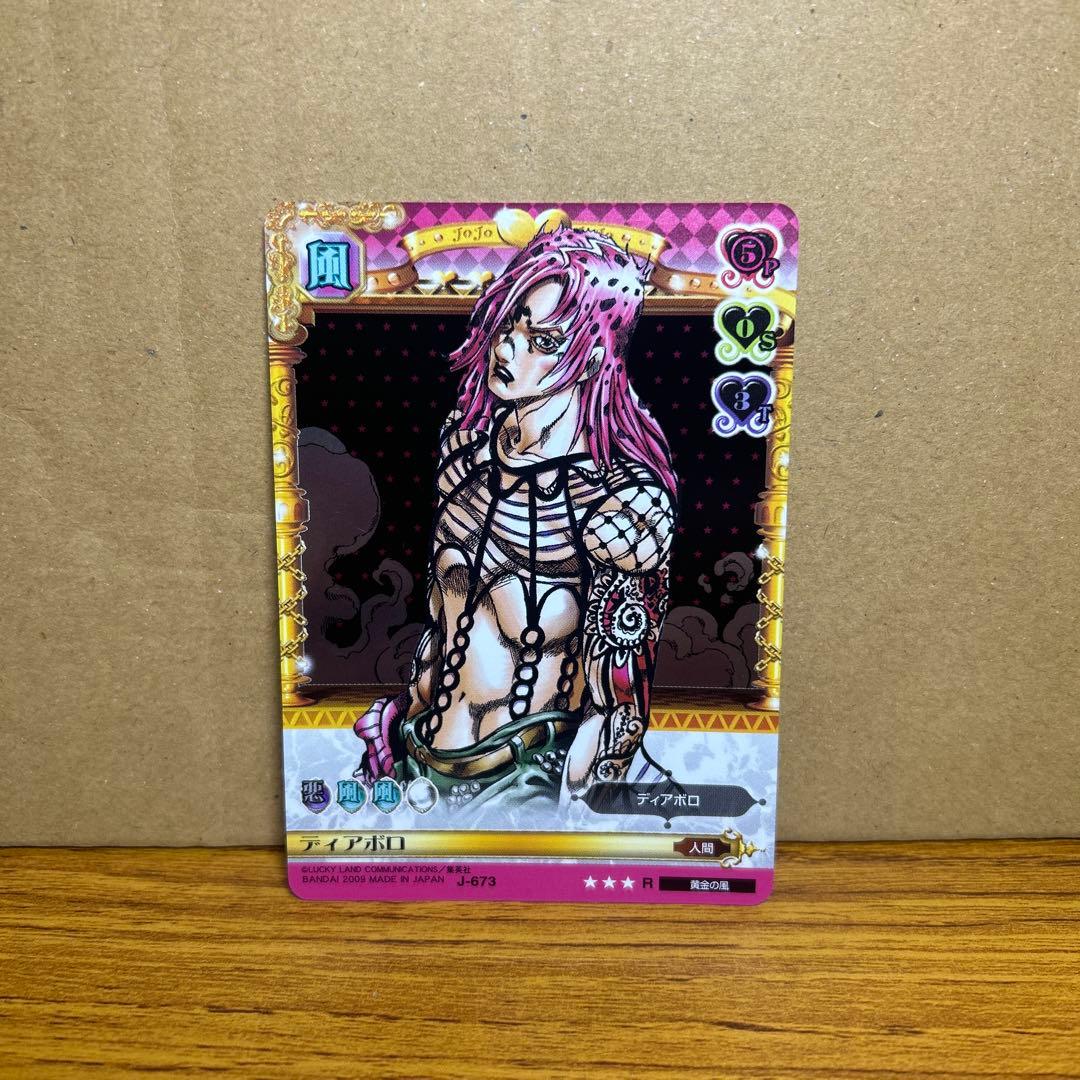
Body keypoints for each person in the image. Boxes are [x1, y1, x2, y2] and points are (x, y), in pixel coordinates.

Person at [354, 224, 677, 814]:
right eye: (509, 326)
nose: (507, 350)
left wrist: (574, 811)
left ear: (594, 358)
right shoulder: (462, 451)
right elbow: (446, 624)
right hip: (411, 757)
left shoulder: (623, 506)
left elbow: (618, 705)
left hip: (524, 780)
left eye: (543, 340)